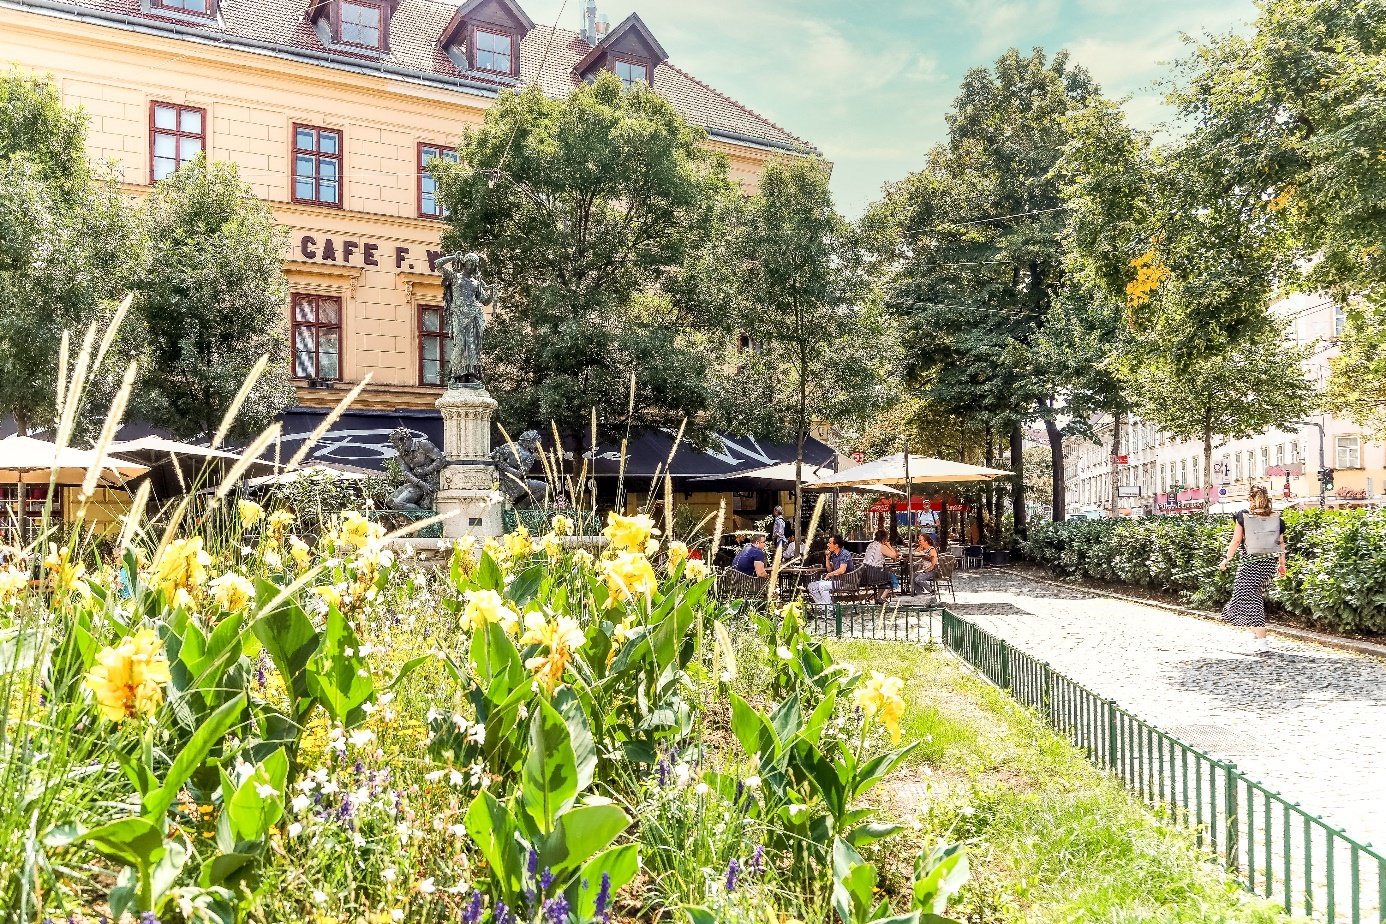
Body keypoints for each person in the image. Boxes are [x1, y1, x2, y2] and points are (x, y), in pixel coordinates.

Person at [1218, 485, 1286, 654]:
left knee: (1249, 597)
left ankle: (1262, 641)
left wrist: (1227, 559)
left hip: (1250, 563)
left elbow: (1236, 541)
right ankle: (1254, 637)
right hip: (1268, 563)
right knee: (1252, 594)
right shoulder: (1277, 518)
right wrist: (1282, 564)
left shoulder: (1243, 516)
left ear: (1250, 499)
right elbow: (1282, 544)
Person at [809, 534, 854, 604]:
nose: (827, 545)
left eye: (830, 543)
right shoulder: (834, 555)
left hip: (845, 582)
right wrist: (827, 558)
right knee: (811, 586)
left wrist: (829, 574)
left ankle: (829, 611)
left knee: (822, 586)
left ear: (836, 546)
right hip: (836, 581)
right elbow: (830, 570)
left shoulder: (844, 554)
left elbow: (842, 570)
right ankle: (824, 608)